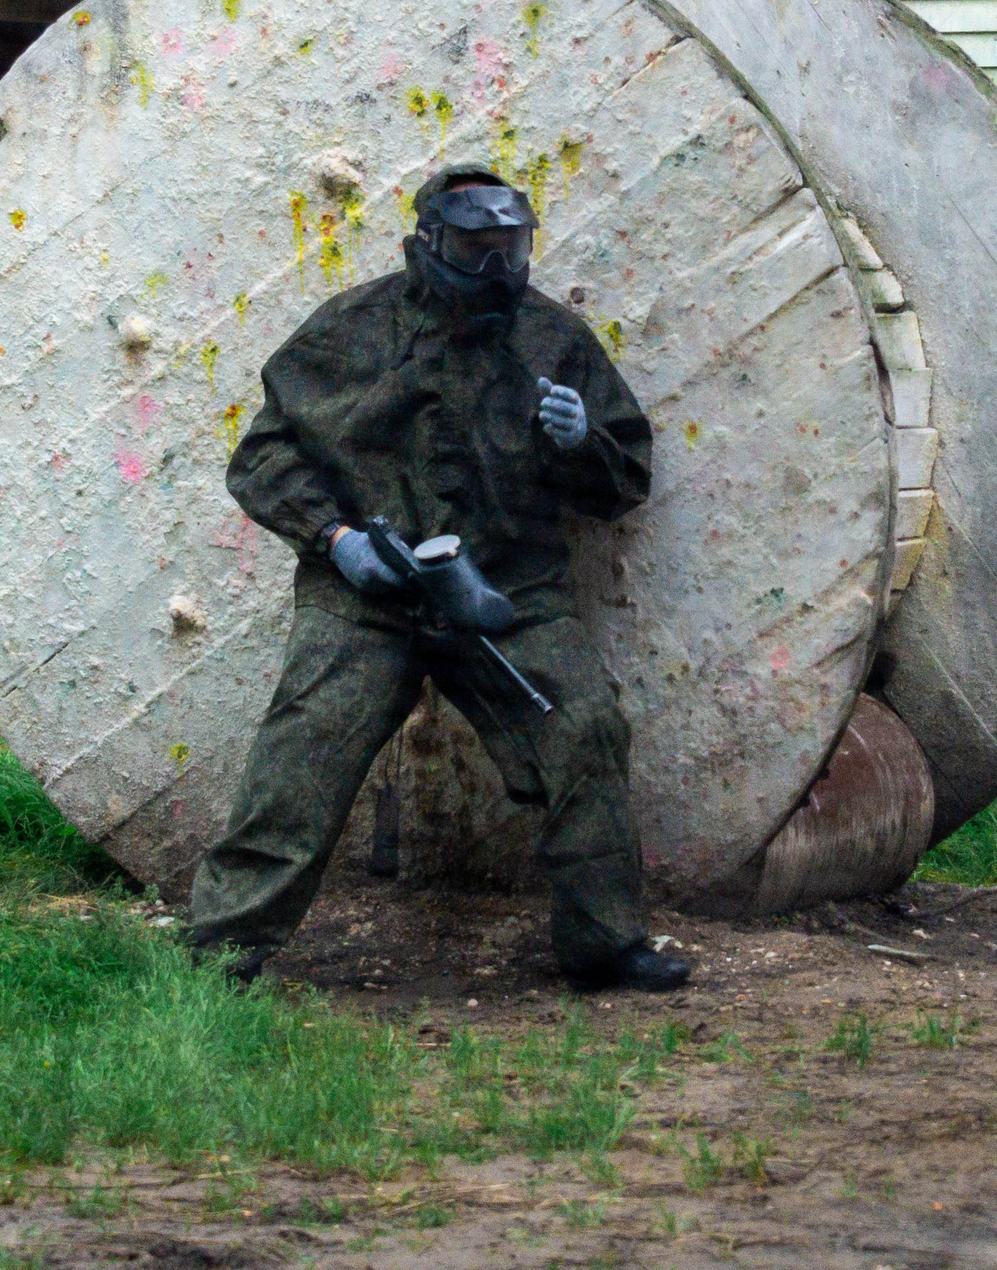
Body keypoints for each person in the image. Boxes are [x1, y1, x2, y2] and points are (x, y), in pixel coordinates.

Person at [185, 164, 691, 992]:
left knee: (586, 730)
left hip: (507, 590)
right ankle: (216, 952)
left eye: (511, 247)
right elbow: (262, 458)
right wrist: (336, 536)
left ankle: (606, 943)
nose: (496, 267)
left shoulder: (552, 340)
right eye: (473, 247)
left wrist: (581, 441)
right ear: (428, 243)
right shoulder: (352, 331)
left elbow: (624, 477)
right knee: (303, 746)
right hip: (368, 591)